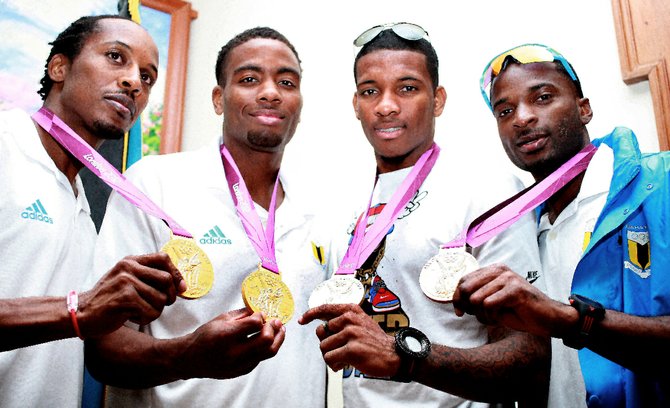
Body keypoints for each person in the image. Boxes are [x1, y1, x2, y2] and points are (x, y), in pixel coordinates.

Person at [299, 24, 549, 407]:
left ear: (438, 100)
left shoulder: (489, 190)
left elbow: (527, 358)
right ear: (355, 105)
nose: (386, 105)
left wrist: (404, 358)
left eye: (407, 88)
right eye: (370, 91)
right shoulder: (339, 202)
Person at [85, 27, 329, 407]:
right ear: (219, 99)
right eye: (249, 79)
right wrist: (189, 356)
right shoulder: (156, 183)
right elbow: (104, 347)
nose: (270, 92)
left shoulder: (320, 206)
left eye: (287, 81)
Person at [453, 43, 670, 407]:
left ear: (583, 109)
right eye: (504, 111)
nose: (521, 118)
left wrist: (570, 320)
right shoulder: (513, 229)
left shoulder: (661, 185)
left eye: (542, 97)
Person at [0, 15, 186, 408]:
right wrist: (79, 309)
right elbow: (77, 312)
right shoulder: (6, 147)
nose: (134, 82)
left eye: (148, 78)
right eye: (116, 57)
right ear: (59, 67)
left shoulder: (81, 198)